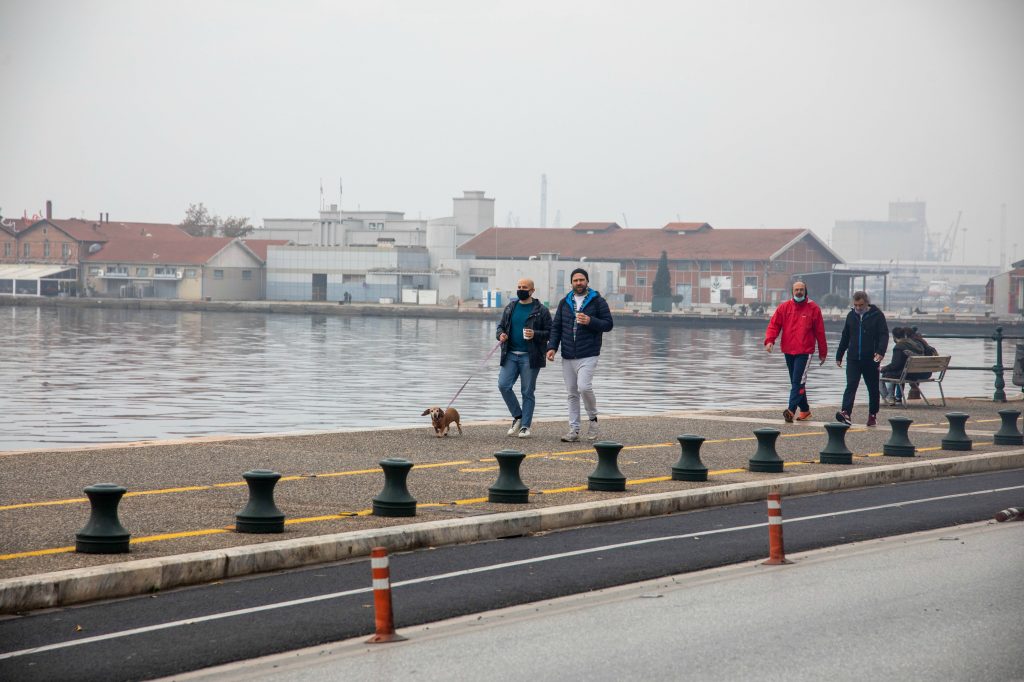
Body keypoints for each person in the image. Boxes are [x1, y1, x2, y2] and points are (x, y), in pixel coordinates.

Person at [546, 268, 614, 442]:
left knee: (584, 387)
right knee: (571, 393)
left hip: (588, 353)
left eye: (581, 280)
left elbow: (608, 324)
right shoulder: (564, 302)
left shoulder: (597, 301)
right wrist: (552, 347)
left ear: (587, 281)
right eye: (575, 280)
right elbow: (556, 327)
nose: (579, 283)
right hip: (568, 355)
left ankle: (593, 419)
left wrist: (590, 321)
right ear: (571, 283)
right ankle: (574, 430)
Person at [764, 281, 828, 423]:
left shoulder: (813, 308)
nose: (799, 292)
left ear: (806, 291)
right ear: (792, 291)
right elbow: (774, 325)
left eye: (801, 289)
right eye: (796, 289)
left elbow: (820, 332)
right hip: (788, 350)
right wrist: (770, 341)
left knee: (797, 381)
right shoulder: (784, 307)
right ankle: (805, 411)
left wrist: (823, 352)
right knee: (797, 382)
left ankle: (791, 410)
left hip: (805, 351)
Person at [496, 278, 552, 439]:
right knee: (503, 385)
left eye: (524, 287)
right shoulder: (510, 307)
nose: (521, 289)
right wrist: (501, 335)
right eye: (519, 287)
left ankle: (525, 426)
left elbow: (550, 332)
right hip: (510, 355)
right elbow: (500, 327)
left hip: (530, 356)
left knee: (527, 391)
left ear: (532, 290)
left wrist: (535, 334)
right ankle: (518, 417)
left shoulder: (541, 310)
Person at [835, 291, 889, 426]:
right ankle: (846, 413)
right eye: (856, 305)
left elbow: (884, 335)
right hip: (853, 358)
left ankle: (872, 414)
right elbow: (845, 336)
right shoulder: (851, 316)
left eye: (861, 305)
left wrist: (880, 351)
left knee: (872, 387)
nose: (858, 308)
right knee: (851, 385)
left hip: (871, 358)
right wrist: (839, 355)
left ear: (866, 303)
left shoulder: (877, 316)